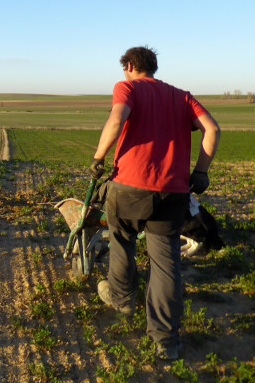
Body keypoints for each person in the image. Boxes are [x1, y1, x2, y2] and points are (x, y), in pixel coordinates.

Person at [90, 46, 220, 361]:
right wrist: (200, 171)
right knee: (165, 264)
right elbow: (213, 129)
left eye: (125, 68)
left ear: (131, 65)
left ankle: (121, 299)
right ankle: (166, 341)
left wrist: (98, 158)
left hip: (130, 188)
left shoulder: (127, 87)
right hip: (172, 193)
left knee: (122, 241)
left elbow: (117, 119)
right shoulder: (183, 96)